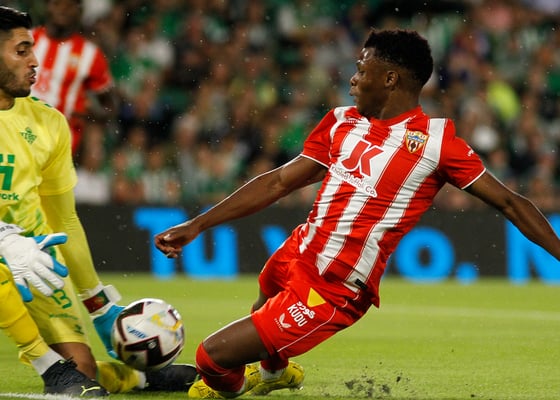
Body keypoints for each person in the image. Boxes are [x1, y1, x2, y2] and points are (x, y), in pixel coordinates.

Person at [154, 28, 560, 399]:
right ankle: (274, 374)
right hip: (298, 251)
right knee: (263, 305)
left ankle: (234, 386)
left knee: (211, 359)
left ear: (390, 79)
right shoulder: (340, 122)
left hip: (335, 286)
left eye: (362, 69)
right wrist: (198, 224)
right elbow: (278, 182)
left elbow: (511, 203)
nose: (352, 79)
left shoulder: (437, 143)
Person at [0, 5, 196, 396]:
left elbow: (64, 220)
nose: (35, 61)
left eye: (33, 49)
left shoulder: (49, 123)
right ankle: (46, 364)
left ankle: (138, 377)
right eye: (22, 51)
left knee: (83, 368)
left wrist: (99, 305)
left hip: (34, 259)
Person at [31, 0, 117, 157]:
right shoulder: (27, 40)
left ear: (79, 11)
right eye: (57, 3)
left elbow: (110, 106)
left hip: (59, 147)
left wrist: (91, 114)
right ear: (46, 6)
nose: (63, 9)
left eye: (69, 5)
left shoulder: (90, 55)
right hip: (18, 136)